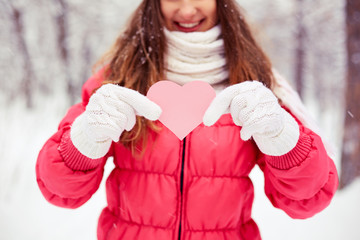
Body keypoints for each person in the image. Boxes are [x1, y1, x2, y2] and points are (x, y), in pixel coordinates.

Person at [36, 0, 339, 239]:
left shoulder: (252, 84)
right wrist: (86, 138)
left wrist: (282, 139)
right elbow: (61, 191)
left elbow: (307, 199)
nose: (187, 9)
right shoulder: (118, 80)